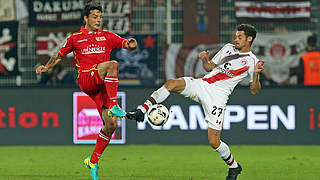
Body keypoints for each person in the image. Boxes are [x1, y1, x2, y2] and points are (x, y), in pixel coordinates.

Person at [127, 24, 264, 180]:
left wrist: (257, 75)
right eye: (235, 36)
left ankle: (234, 166)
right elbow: (209, 67)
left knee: (214, 141)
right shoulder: (228, 48)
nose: (236, 39)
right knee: (171, 83)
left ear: (249, 39)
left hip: (218, 98)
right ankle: (142, 111)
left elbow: (255, 90)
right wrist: (205, 59)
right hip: (202, 84)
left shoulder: (252, 62)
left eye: (239, 37)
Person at [35, 2, 137, 180]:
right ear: (86, 18)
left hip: (102, 86)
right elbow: (59, 55)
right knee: (113, 65)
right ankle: (114, 105)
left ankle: (93, 160)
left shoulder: (106, 36)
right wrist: (46, 67)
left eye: (100, 17)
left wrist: (131, 44)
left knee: (111, 125)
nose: (98, 20)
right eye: (94, 17)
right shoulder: (76, 38)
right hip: (86, 79)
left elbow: (125, 44)